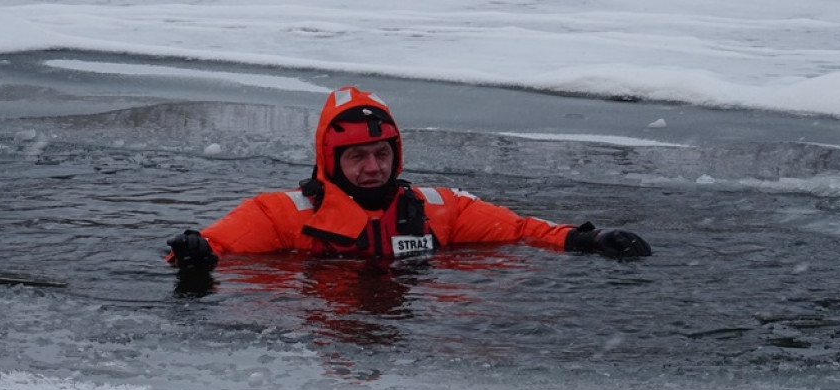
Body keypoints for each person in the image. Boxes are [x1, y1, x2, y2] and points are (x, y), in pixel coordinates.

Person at [166, 86, 651, 293]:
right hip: (326, 316)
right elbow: (213, 246)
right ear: (331, 161)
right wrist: (194, 254)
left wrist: (587, 239)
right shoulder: (281, 214)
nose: (373, 167)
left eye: (382, 154)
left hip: (408, 316)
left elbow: (523, 229)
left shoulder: (440, 208)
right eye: (356, 157)